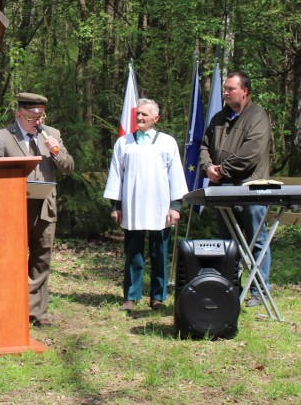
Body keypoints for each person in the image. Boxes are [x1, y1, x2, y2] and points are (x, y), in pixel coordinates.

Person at [0, 92, 74, 326]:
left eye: (41, 116)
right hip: (14, 208)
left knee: (41, 258)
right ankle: (12, 307)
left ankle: (36, 312)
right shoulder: (3, 137)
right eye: (32, 117)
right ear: (19, 114)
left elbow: (68, 167)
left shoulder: (52, 134)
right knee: (13, 258)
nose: (38, 122)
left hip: (45, 207)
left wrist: (56, 151)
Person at [103, 99, 188, 312]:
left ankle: (158, 296)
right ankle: (131, 296)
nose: (139, 118)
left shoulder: (167, 142)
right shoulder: (124, 143)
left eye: (144, 115)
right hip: (132, 207)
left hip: (160, 207)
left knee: (159, 252)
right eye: (138, 114)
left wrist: (175, 206)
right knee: (134, 253)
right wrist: (116, 206)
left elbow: (176, 175)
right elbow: (116, 176)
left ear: (155, 119)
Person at [198, 71, 272, 308]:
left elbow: (251, 153)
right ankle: (229, 288)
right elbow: (204, 146)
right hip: (223, 188)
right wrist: (208, 167)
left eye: (231, 89)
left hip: (252, 188)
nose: (226, 93)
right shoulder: (219, 118)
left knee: (256, 240)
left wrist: (222, 169)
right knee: (227, 242)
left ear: (245, 91)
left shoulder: (258, 116)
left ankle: (259, 291)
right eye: (226, 89)